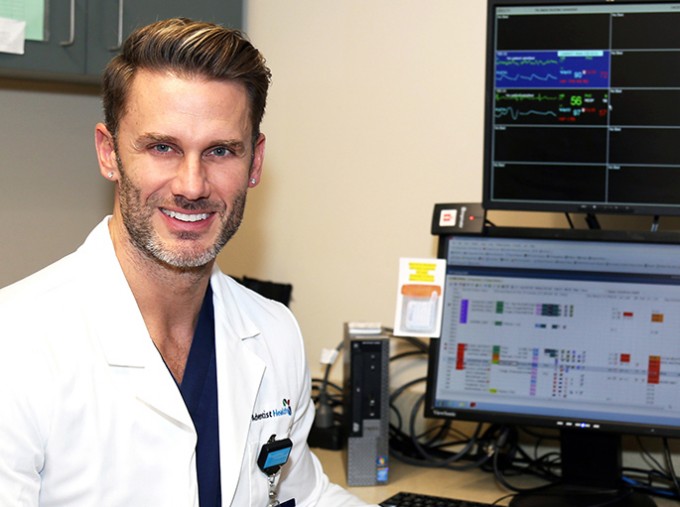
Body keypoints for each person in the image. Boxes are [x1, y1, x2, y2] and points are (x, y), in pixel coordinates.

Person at [0, 18, 373, 506]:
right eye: (162, 147)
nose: (192, 185)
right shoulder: (17, 345)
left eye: (220, 151)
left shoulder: (273, 333)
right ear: (109, 153)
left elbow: (302, 497)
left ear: (254, 163)